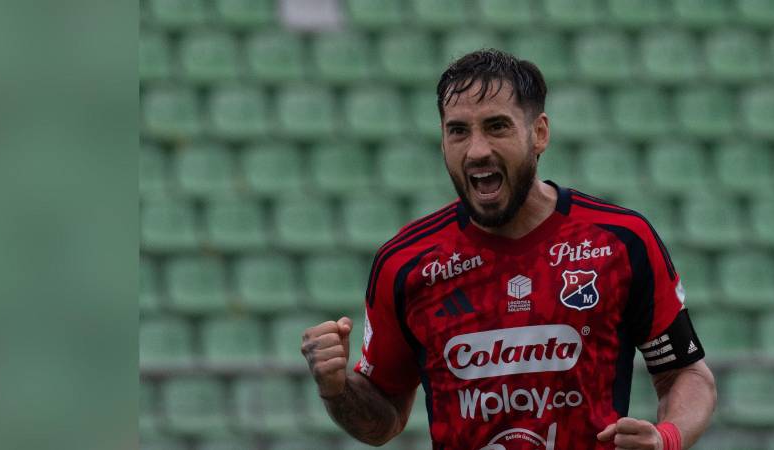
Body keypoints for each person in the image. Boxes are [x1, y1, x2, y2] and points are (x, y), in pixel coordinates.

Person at [300, 49, 716, 450]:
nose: (477, 149)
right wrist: (336, 390)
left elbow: (687, 374)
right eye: (458, 130)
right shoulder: (406, 264)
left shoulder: (621, 240)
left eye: (497, 126)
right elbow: (382, 421)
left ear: (539, 134)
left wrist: (668, 437)